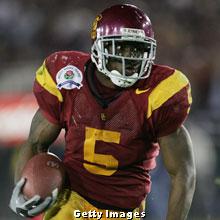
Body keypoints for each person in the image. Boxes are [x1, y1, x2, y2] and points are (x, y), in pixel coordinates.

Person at [9, 4, 196, 220]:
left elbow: (183, 172)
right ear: (99, 47)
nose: (130, 58)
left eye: (136, 49)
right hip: (70, 201)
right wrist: (24, 190)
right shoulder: (68, 79)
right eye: (121, 48)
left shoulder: (160, 93)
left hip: (124, 212)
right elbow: (35, 143)